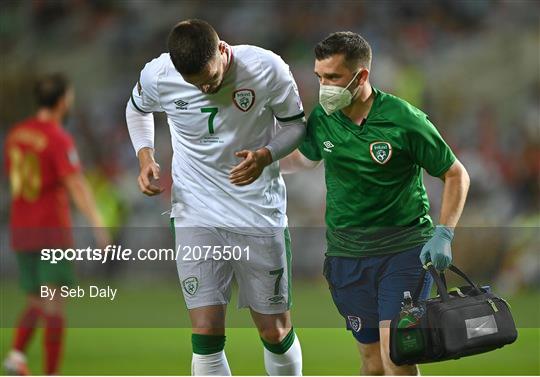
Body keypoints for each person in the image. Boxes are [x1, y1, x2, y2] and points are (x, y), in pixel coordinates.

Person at [280, 32, 470, 375]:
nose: (324, 86)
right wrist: (261, 160)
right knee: (371, 363)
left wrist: (444, 233)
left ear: (361, 76)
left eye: (333, 77)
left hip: (403, 252)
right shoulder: (323, 119)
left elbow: (456, 174)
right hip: (347, 256)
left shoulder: (405, 119)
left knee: (397, 354)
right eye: (320, 77)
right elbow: (302, 159)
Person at [125, 19, 305, 376]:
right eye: (196, 85)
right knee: (206, 330)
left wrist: (266, 155)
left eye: (211, 79)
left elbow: (296, 124)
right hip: (196, 211)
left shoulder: (266, 68)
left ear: (223, 50)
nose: (207, 89)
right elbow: (137, 109)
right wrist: (146, 156)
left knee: (274, 331)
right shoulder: (159, 75)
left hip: (257, 211)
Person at [3, 73, 109, 375]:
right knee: (53, 305)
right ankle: (51, 373)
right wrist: (98, 224)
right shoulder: (58, 138)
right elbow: (75, 184)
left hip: (22, 227)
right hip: (50, 229)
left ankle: (15, 358)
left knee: (35, 300)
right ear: (63, 100)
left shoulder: (16, 134)